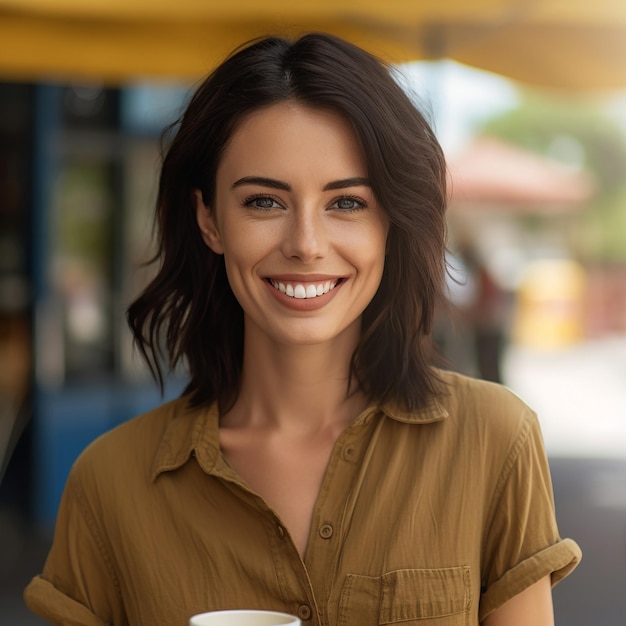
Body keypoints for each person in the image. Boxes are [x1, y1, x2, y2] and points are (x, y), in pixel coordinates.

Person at [24, 33, 581, 626]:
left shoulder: (495, 441)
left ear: (390, 223)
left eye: (346, 204)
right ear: (209, 219)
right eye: (264, 202)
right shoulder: (110, 482)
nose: (306, 246)